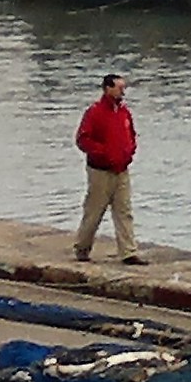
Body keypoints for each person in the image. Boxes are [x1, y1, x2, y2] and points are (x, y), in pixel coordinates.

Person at [74, 72, 147, 266]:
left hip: (121, 170)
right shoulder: (95, 112)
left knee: (124, 211)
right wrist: (104, 153)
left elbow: (131, 135)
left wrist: (129, 152)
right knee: (94, 211)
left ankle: (128, 252)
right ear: (108, 89)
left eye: (124, 88)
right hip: (100, 171)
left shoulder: (124, 113)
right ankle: (82, 247)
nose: (123, 91)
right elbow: (83, 139)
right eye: (119, 87)